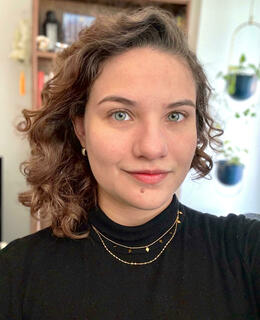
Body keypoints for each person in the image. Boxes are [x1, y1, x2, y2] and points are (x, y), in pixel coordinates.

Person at [0, 6, 259, 320]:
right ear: (81, 128)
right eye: (120, 114)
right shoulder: (15, 274)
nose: (152, 147)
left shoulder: (243, 252)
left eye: (175, 115)